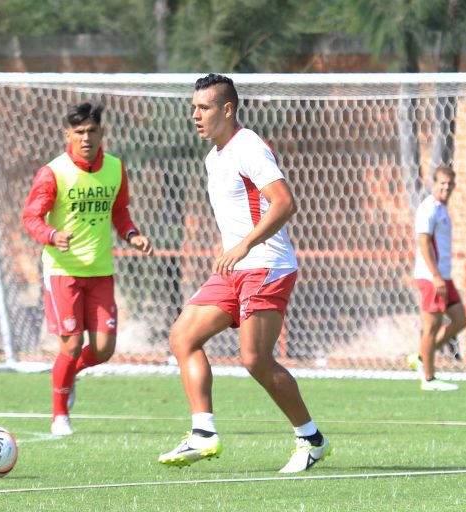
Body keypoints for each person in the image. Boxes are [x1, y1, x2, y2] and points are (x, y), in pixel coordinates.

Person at [158, 74, 331, 473]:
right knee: (183, 337)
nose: (195, 115)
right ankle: (203, 433)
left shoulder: (248, 146)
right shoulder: (213, 157)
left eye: (203, 108)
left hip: (267, 265)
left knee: (255, 360)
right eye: (193, 107)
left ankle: (311, 439)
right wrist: (234, 250)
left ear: (227, 109)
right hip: (235, 269)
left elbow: (284, 202)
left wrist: (245, 245)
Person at [22, 101, 153, 436]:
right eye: (79, 132)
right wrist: (52, 235)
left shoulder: (115, 168)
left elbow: (120, 212)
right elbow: (31, 217)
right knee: (70, 345)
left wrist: (133, 235)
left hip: (100, 272)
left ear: (101, 132)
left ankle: (69, 375)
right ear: (67, 134)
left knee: (103, 349)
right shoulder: (53, 172)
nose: (85, 137)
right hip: (62, 271)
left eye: (91, 131)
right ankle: (60, 416)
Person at [407, 166, 466, 391]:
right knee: (431, 327)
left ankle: (422, 357)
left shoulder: (442, 209)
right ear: (434, 183)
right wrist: (435, 276)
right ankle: (429, 379)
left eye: (450, 184)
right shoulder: (428, 208)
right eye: (442, 183)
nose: (446, 187)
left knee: (460, 320)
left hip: (444, 277)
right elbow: (423, 242)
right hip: (432, 278)